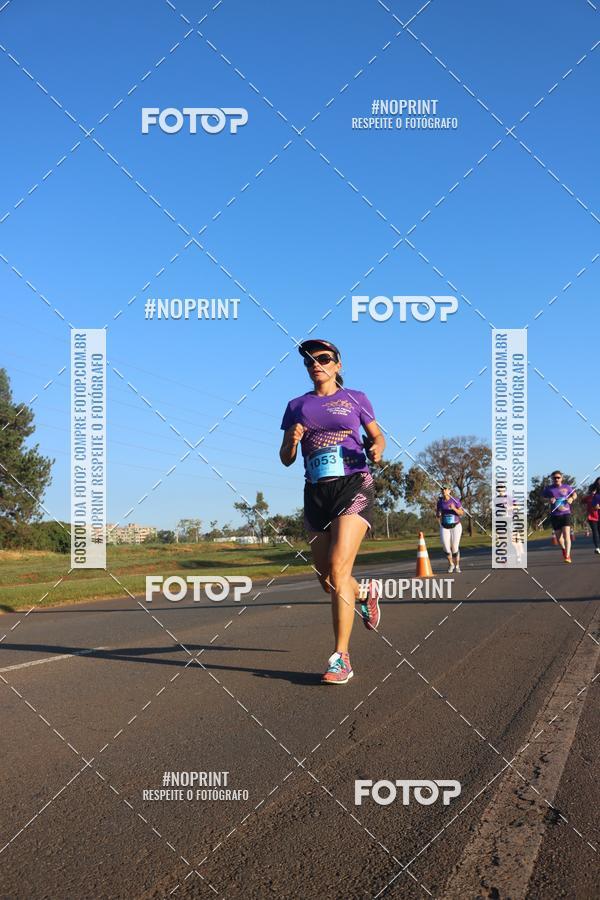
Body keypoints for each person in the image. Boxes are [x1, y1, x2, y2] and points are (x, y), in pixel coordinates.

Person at [279, 339, 385, 685]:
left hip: (353, 484)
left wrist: (377, 448)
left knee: (340, 568)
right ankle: (364, 592)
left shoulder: (356, 398)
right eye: (310, 360)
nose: (316, 364)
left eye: (323, 358)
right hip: (315, 492)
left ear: (338, 364)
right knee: (328, 580)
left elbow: (378, 437)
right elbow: (285, 458)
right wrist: (292, 441)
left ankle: (341, 658)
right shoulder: (296, 406)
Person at [542, 470, 577, 563]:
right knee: (558, 538)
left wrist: (571, 498)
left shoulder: (567, 487)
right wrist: (549, 500)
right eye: (554, 478)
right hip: (555, 515)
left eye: (558, 477)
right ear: (552, 479)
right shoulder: (549, 489)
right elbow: (543, 498)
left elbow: (574, 494)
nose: (556, 479)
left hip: (566, 514)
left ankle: (568, 556)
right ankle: (563, 549)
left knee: (567, 535)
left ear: (562, 478)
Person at [436, 485, 465, 573]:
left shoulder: (455, 500)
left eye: (445, 489)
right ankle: (451, 564)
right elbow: (437, 514)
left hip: (456, 526)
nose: (443, 490)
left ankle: (457, 566)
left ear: (449, 490)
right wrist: (439, 514)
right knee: (446, 548)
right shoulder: (440, 502)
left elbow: (461, 513)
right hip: (445, 527)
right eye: (442, 489)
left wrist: (454, 509)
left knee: (455, 548)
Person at [587, 478, 600, 554]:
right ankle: (597, 548)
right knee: (595, 532)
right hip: (593, 517)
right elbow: (593, 505)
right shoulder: (592, 497)